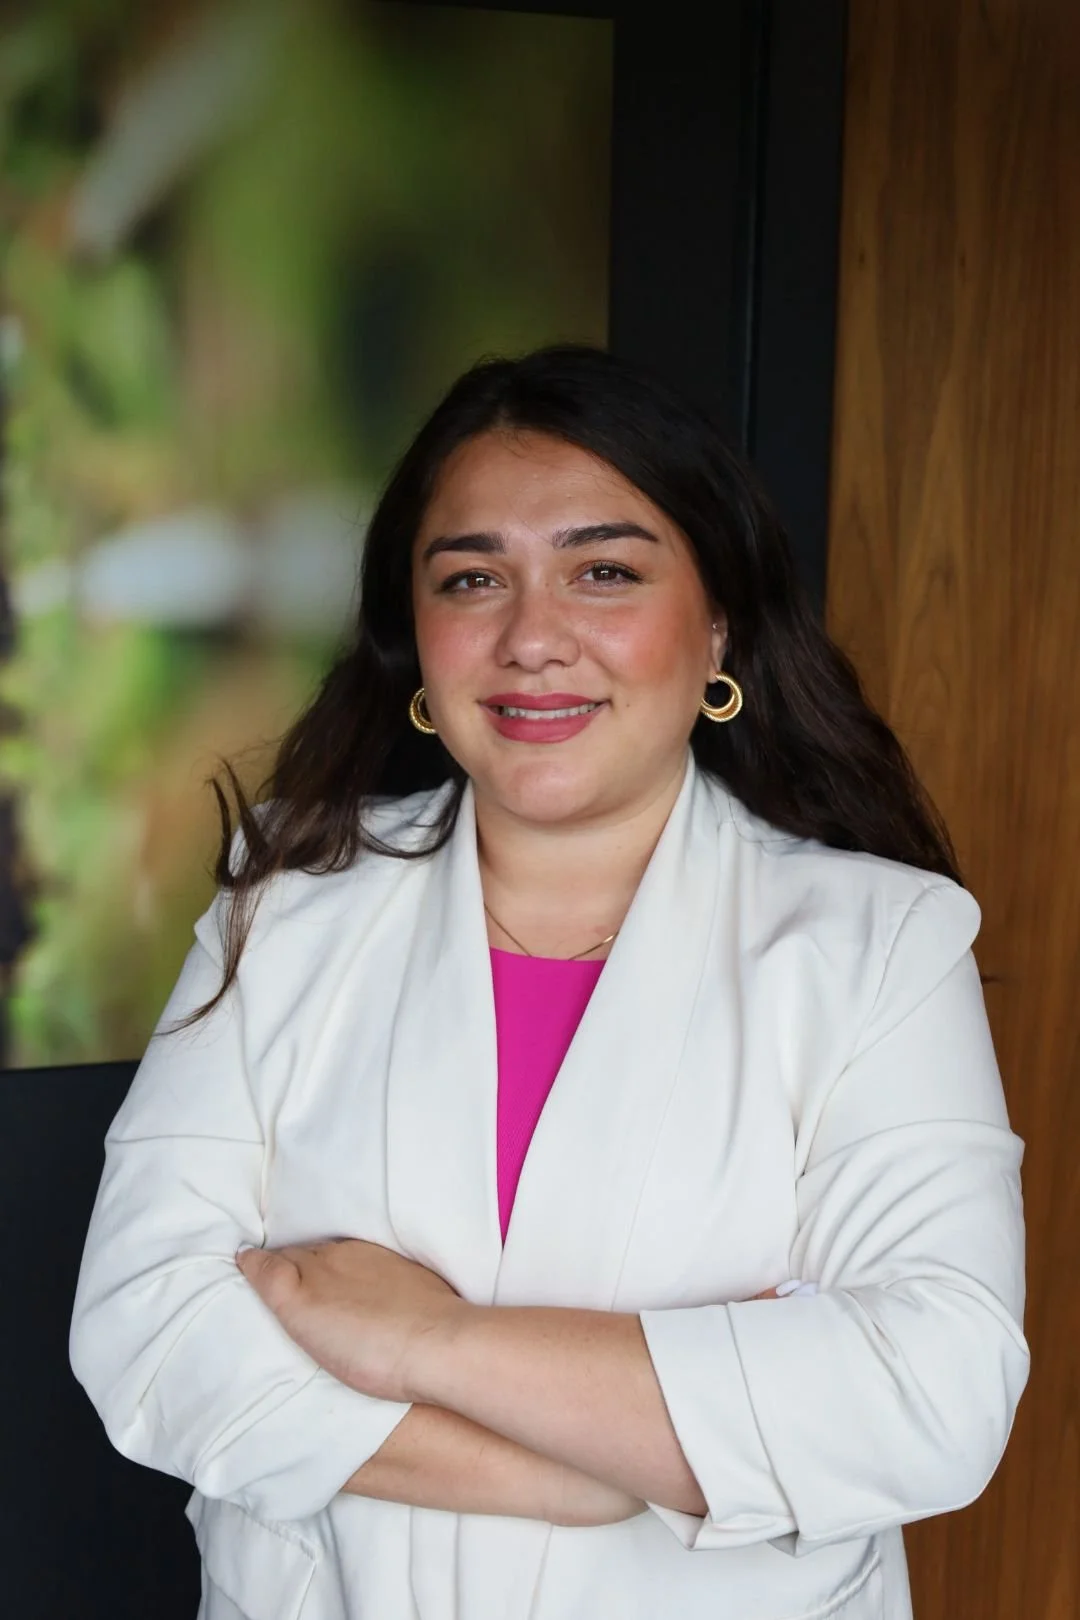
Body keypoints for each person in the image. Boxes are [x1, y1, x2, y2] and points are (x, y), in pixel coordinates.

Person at [69, 344, 1029, 1620]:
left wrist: (421, 1338)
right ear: (416, 633)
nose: (531, 639)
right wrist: (590, 1463)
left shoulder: (881, 945)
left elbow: (930, 1393)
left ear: (721, 620)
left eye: (605, 572)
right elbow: (145, 1326)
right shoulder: (287, 898)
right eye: (474, 578)